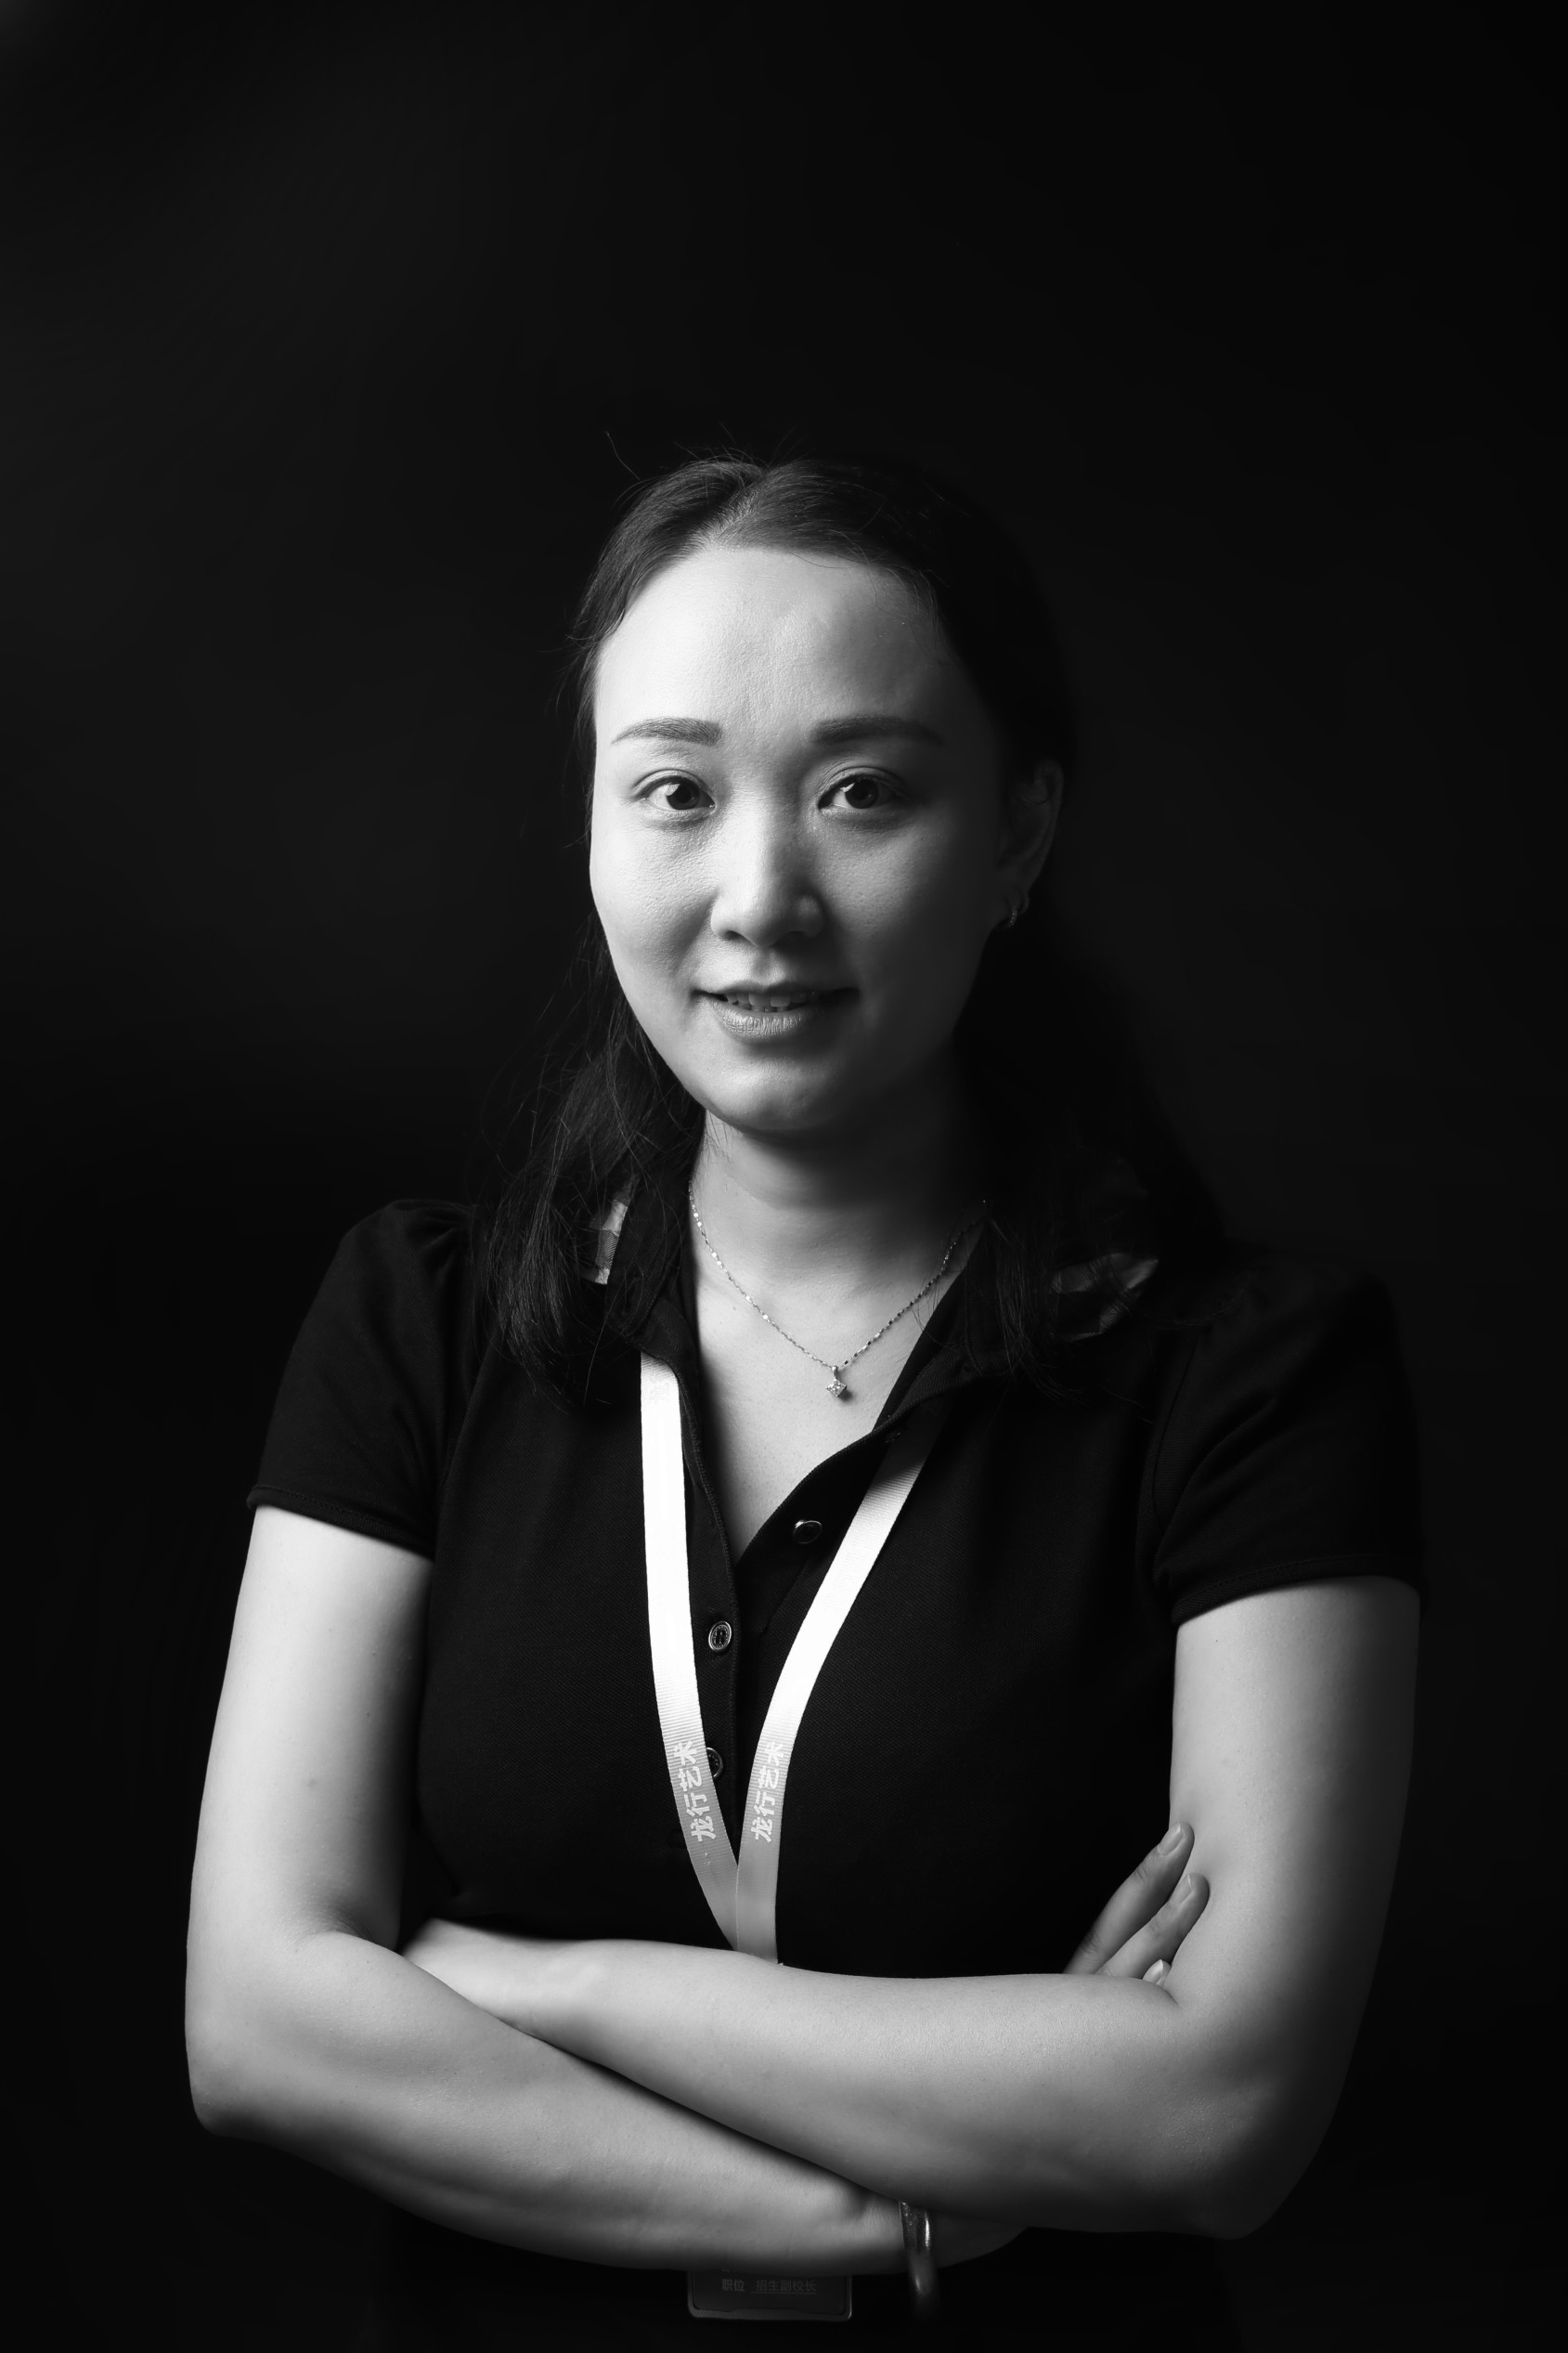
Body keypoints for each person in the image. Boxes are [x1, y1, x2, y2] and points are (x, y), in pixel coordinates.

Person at [186, 450, 1423, 2346]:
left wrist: (534, 1984)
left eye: (862, 792)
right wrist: (894, 2207)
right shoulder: (420, 1321)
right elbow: (258, 2025)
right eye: (674, 791)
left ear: (1014, 836)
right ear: (593, 830)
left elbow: (1220, 2109)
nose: (759, 895)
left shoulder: (1251, 1373)